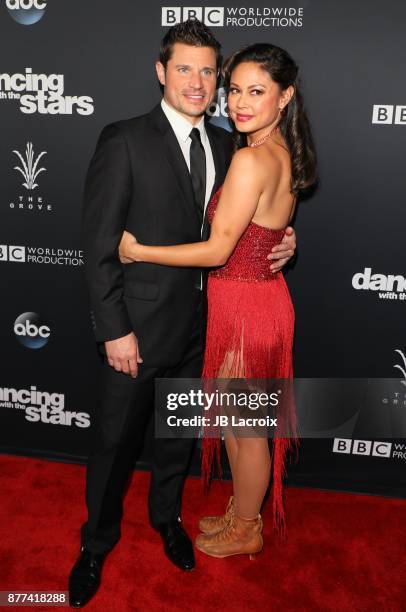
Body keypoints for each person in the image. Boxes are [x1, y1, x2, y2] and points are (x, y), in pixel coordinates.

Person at [69, 20, 297, 608]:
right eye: (184, 69)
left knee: (176, 439)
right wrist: (114, 328)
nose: (197, 83)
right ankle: (94, 545)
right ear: (160, 72)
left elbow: (243, 229)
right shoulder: (123, 140)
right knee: (115, 444)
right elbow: (99, 246)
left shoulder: (232, 144)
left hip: (209, 330)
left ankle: (166, 519)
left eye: (207, 71)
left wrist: (283, 238)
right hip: (138, 331)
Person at [118, 41, 317, 560]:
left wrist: (140, 250)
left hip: (247, 308)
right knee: (238, 424)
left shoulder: (252, 159)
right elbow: (263, 231)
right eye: (235, 90)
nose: (240, 103)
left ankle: (248, 524)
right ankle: (242, 511)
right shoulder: (276, 151)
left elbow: (219, 248)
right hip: (253, 302)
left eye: (257, 91)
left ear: (285, 96)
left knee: (245, 432)